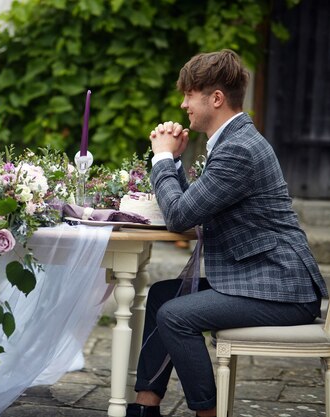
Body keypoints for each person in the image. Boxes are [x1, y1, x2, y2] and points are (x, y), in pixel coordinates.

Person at [126, 49, 328, 417]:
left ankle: (209, 413)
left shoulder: (238, 149)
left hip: (281, 290)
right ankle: (145, 406)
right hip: (258, 280)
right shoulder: (233, 141)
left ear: (215, 98)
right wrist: (173, 160)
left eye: (190, 94)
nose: (184, 104)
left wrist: (161, 158)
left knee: (175, 315)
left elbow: (178, 215)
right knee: (161, 295)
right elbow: (195, 207)